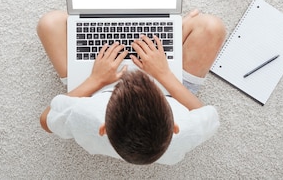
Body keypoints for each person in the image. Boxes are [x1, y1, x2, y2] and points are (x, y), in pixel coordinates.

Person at [36, 9, 226, 165]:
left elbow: (45, 120)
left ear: (103, 129)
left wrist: (96, 79)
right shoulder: (186, 131)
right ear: (174, 127)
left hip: (98, 88)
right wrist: (164, 75)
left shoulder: (85, 115)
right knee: (212, 27)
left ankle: (170, 32)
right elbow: (203, 111)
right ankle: (173, 32)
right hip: (170, 90)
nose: (132, 75)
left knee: (49, 23)